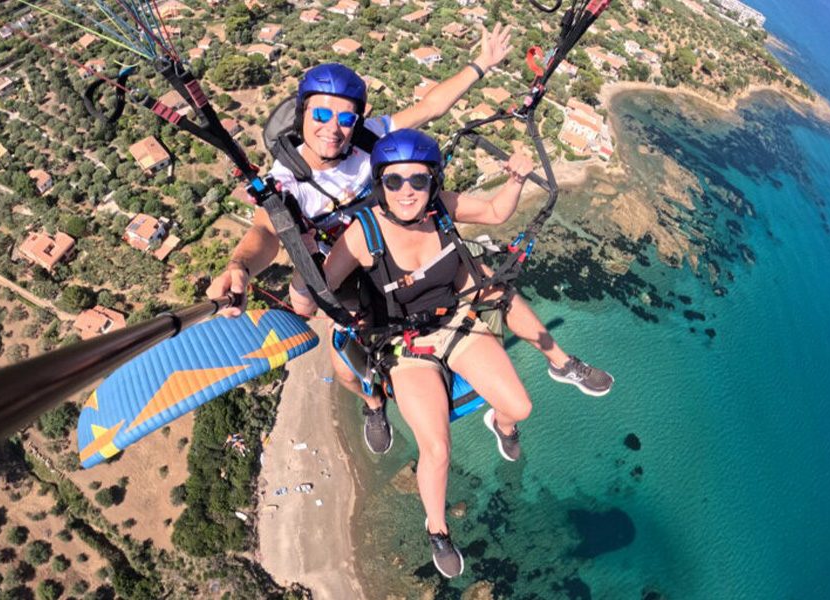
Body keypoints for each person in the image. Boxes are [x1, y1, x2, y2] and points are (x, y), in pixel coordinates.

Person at [208, 27, 611, 455]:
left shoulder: (367, 138)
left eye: (345, 118)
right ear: (302, 115)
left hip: (401, 243)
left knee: (491, 284)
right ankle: (373, 405)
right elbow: (265, 232)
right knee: (347, 366)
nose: (333, 129)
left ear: (357, 120)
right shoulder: (287, 181)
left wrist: (482, 64)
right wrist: (240, 266)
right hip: (348, 271)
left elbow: (431, 106)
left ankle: (560, 361)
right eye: (322, 116)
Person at [322, 129, 534, 578]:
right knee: (436, 449)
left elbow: (496, 211)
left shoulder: (443, 210)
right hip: (404, 345)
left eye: (418, 181)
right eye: (394, 182)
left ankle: (501, 423)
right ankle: (437, 528)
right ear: (380, 184)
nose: (407, 192)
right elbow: (322, 287)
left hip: (452, 323)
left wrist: (515, 180)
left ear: (433, 183)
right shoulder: (364, 235)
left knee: (520, 405)